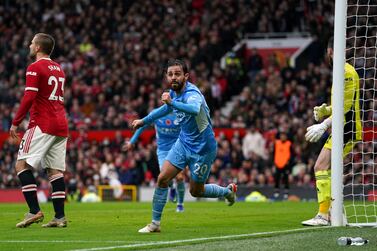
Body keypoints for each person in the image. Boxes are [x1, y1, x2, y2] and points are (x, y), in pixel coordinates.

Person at [132, 59, 237, 233]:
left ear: (186, 76)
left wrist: (171, 103)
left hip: (203, 149)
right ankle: (155, 224)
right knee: (162, 178)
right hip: (183, 143)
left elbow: (195, 109)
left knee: (196, 191)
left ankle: (227, 192)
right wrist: (143, 121)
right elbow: (162, 111)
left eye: (177, 74)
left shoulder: (192, 93)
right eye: (170, 74)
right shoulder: (173, 95)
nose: (173, 77)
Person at [10, 33, 69, 228]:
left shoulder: (35, 67)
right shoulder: (59, 69)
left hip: (42, 123)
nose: (29, 45)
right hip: (61, 124)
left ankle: (34, 211)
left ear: (37, 48)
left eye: (32, 43)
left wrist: (15, 122)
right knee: (55, 171)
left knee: (21, 166)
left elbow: (29, 97)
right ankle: (59, 217)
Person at [302, 37, 362, 226]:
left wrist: (324, 125)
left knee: (320, 166)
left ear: (329, 52)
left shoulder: (345, 72)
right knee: (330, 170)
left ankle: (323, 215)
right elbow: (341, 104)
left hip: (347, 128)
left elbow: (345, 107)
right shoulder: (342, 71)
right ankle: (337, 213)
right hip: (345, 127)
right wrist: (325, 110)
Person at [123, 112, 186, 212]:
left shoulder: (180, 114)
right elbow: (142, 127)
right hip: (163, 151)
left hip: (178, 149)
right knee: (164, 177)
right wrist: (132, 141)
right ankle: (172, 187)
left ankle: (180, 205)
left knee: (180, 177)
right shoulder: (157, 114)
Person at [273, 132, 293, 200]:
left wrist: (289, 162)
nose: (282, 137)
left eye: (284, 136)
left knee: (285, 178)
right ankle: (276, 191)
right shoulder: (276, 143)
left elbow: (291, 154)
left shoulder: (289, 144)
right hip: (278, 163)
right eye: (281, 136)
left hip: (285, 164)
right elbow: (273, 152)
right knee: (277, 177)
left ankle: (286, 192)